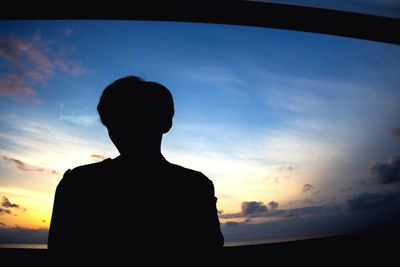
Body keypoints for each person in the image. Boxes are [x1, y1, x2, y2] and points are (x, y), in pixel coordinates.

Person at [48, 76, 224, 261]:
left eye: (137, 118)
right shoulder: (194, 185)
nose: (121, 130)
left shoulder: (79, 183)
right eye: (115, 121)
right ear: (167, 122)